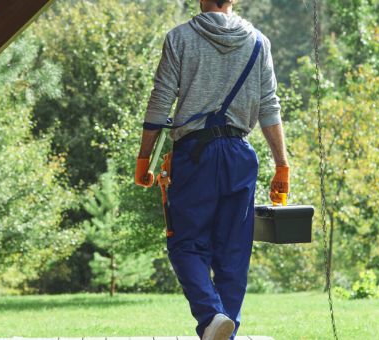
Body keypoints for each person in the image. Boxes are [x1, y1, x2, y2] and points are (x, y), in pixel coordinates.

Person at [133, 1, 289, 339]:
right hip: (240, 156)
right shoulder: (259, 42)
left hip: (195, 155)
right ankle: (223, 332)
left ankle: (210, 317)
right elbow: (269, 108)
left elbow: (160, 104)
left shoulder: (180, 38)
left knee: (186, 244)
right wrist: (282, 164)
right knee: (233, 252)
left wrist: (144, 159)